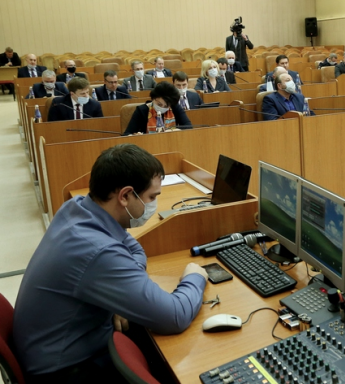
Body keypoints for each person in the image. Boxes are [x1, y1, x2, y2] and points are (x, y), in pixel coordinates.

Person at [13, 144, 208, 382]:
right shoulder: (97, 250)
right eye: (152, 197)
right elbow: (174, 317)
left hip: (56, 348)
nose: (154, 203)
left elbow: (133, 247)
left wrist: (123, 288)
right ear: (125, 196)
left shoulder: (78, 208)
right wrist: (194, 277)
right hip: (66, 371)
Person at [124, 81, 192, 135]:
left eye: (166, 106)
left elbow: (189, 127)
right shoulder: (142, 110)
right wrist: (135, 135)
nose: (162, 107)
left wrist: (174, 130)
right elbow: (127, 134)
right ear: (153, 98)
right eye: (159, 104)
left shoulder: (175, 107)